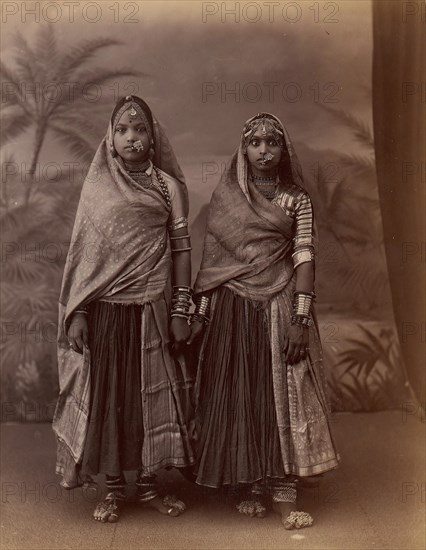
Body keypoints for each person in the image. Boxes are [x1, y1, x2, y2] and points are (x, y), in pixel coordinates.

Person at [188, 113, 340, 529]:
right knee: (242, 391)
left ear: (283, 149)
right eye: (255, 142)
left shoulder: (297, 199)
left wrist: (301, 319)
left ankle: (284, 486)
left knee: (283, 390)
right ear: (244, 149)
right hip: (232, 308)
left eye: (272, 142)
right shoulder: (228, 198)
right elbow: (212, 268)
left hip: (280, 302)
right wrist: (199, 318)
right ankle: (251, 482)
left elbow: (305, 256)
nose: (264, 150)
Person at [53, 95, 195, 523]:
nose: (131, 137)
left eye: (140, 130)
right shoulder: (97, 188)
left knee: (150, 398)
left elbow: (182, 251)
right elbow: (85, 259)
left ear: (154, 138)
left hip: (152, 307)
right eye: (122, 130)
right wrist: (78, 313)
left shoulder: (168, 188)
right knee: (111, 398)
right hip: (107, 313)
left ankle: (150, 484)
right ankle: (113, 487)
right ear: (110, 140)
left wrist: (181, 309)